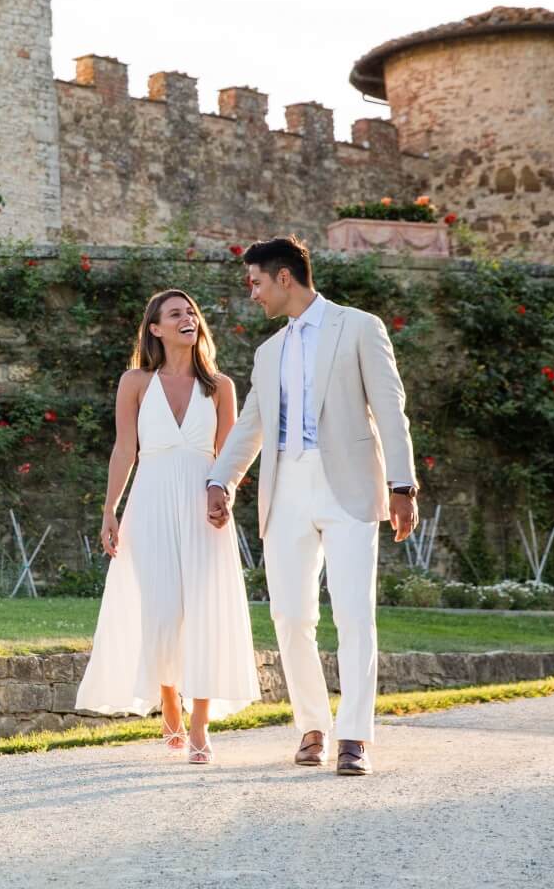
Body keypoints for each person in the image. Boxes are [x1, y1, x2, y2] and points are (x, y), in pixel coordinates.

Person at [206, 236, 420, 776]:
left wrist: (403, 485)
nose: (251, 294)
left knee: (353, 612)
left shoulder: (359, 326)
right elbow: (253, 422)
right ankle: (312, 726)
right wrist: (221, 480)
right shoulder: (268, 351)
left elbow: (390, 411)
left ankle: (354, 736)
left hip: (348, 482)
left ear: (284, 278)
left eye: (255, 282)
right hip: (287, 488)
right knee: (290, 615)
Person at [76, 289, 261, 762]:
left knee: (203, 608)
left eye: (192, 311)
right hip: (151, 500)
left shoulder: (220, 386)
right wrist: (109, 509)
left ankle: (199, 721)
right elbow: (124, 450)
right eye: (176, 313)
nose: (188, 318)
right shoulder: (135, 382)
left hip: (203, 502)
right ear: (155, 328)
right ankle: (169, 703)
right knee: (160, 610)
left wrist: (226, 496)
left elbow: (230, 456)